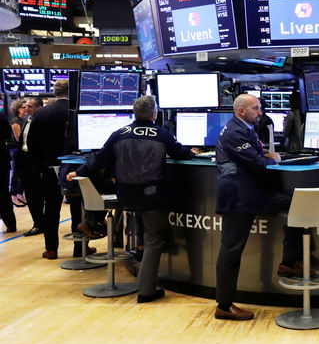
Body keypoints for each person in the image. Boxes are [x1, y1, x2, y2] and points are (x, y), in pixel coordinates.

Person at [68, 95, 195, 301]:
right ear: (155, 114)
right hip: (153, 197)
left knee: (146, 232)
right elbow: (181, 154)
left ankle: (139, 260)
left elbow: (98, 159)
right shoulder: (161, 134)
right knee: (153, 240)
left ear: (134, 113)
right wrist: (193, 152)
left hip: (126, 196)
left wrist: (78, 171)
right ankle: (146, 291)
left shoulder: (119, 134)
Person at [214, 94, 307, 320]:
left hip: (254, 193)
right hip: (239, 197)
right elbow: (256, 163)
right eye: (256, 108)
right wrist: (272, 159)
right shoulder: (235, 131)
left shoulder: (243, 127)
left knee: (299, 204)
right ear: (241, 111)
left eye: (259, 108)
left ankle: (289, 262)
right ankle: (224, 306)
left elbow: (253, 154)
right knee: (231, 250)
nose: (260, 112)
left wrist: (266, 154)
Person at [27, 86, 69, 259]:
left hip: (49, 167)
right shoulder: (75, 110)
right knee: (77, 207)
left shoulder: (41, 113)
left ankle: (51, 249)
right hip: (73, 166)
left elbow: (32, 143)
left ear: (55, 92)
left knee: (51, 209)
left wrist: (38, 168)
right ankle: (80, 247)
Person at [18, 97, 43, 236]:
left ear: (39, 108)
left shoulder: (41, 122)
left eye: (30, 107)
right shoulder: (25, 121)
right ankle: (37, 222)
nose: (26, 109)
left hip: (36, 162)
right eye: (25, 106)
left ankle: (40, 224)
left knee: (36, 195)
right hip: (25, 160)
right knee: (30, 194)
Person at [0, 110, 17, 233]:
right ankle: (11, 224)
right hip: (2, 160)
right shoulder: (1, 115)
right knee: (4, 194)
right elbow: (7, 135)